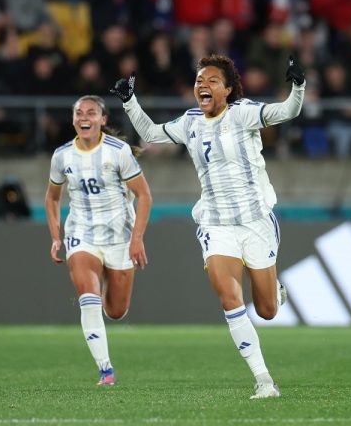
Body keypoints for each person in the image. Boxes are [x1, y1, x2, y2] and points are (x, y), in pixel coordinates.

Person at [110, 54, 305, 399]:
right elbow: (151, 133)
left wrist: (299, 86)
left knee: (267, 311)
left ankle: (274, 290)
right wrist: (130, 101)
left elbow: (288, 111)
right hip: (215, 223)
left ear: (228, 89)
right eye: (200, 80)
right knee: (230, 298)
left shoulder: (243, 113)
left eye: (213, 80)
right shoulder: (190, 122)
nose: (203, 85)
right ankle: (263, 380)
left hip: (255, 221)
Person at [44, 95, 152, 386]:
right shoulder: (62, 155)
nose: (84, 117)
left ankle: (104, 277)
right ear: (73, 120)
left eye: (91, 113)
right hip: (82, 234)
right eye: (78, 113)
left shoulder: (118, 152)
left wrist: (137, 239)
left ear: (103, 120)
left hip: (119, 238)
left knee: (116, 311)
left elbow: (144, 195)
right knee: (88, 299)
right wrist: (56, 237)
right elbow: (52, 198)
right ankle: (106, 370)